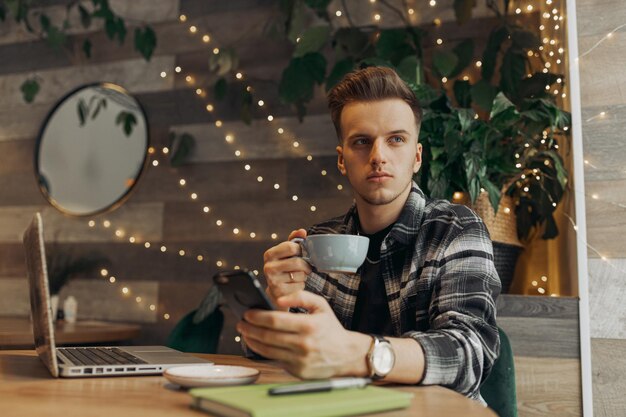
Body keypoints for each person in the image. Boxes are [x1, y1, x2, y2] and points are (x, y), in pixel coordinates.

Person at [236, 66, 501, 401]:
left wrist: (361, 353)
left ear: (416, 157)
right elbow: (270, 357)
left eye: (396, 140)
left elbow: (470, 353)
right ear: (342, 160)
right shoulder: (319, 242)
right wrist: (278, 306)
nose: (378, 156)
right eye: (362, 142)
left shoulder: (456, 230)